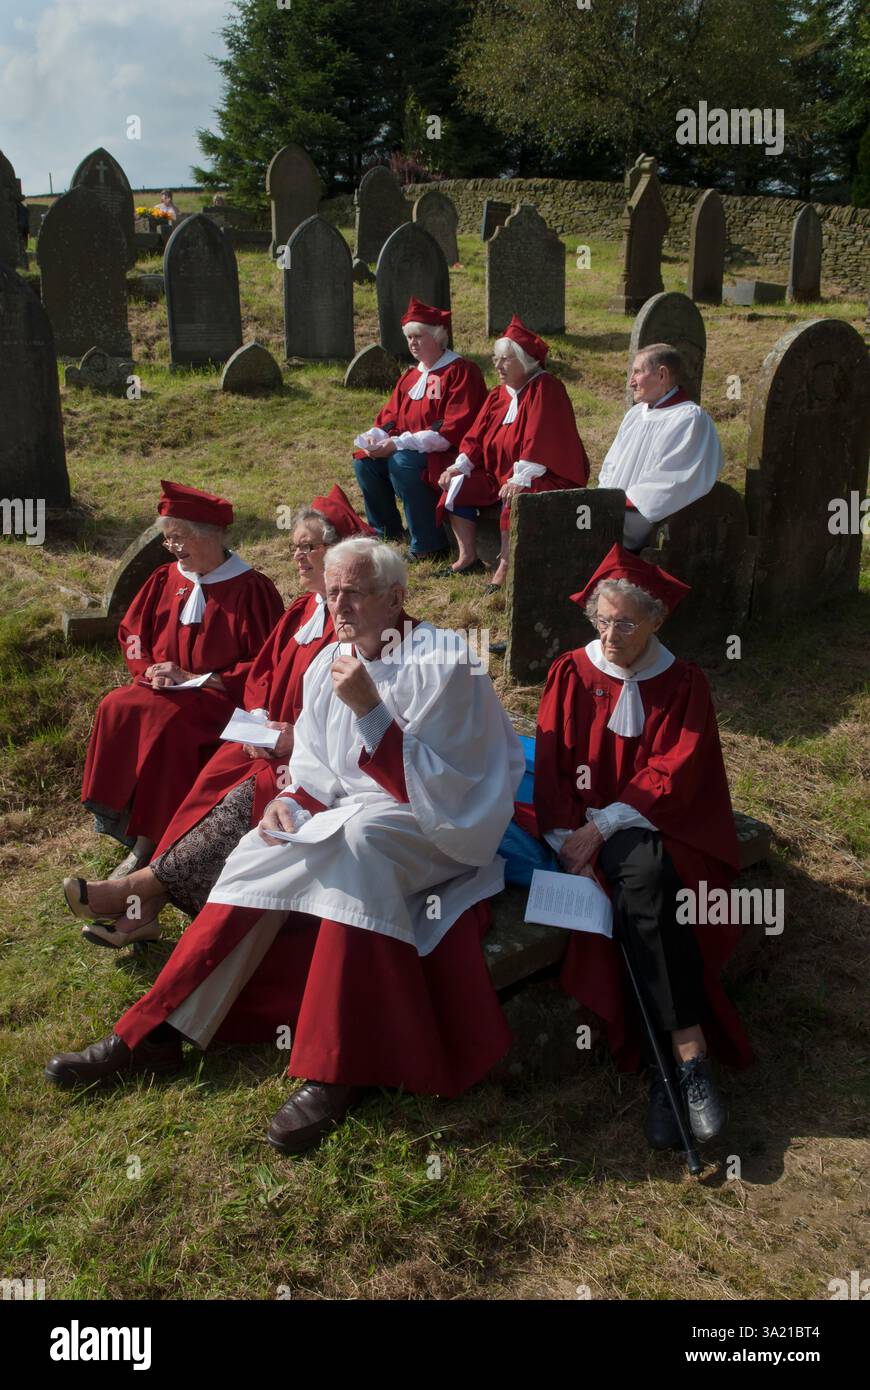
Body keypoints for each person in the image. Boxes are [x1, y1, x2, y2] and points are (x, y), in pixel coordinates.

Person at [47, 539, 525, 1155]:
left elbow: (445, 786)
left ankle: (339, 1067)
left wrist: (371, 710)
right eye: (331, 592)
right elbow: (316, 765)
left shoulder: (445, 662)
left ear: (397, 596)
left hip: (434, 825)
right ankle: (159, 1028)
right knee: (260, 847)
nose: (338, 604)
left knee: (358, 843)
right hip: (351, 816)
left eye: (353, 591)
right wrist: (291, 800)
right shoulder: (331, 658)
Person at [66, 487, 368, 948]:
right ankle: (140, 896)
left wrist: (209, 682)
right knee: (202, 774)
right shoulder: (302, 612)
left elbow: (354, 709)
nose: (298, 558)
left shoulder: (351, 622)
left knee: (223, 786)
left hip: (306, 756)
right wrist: (259, 712)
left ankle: (135, 895)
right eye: (295, 548)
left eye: (309, 547)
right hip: (261, 733)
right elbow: (264, 673)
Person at [533, 544, 751, 1150]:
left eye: (626, 623)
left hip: (661, 821)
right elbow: (552, 764)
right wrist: (570, 834)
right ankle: (686, 1056)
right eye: (601, 620)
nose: (610, 634)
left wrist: (604, 826)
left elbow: (676, 770)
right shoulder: (571, 672)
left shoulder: (683, 682)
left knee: (648, 877)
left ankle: (667, 1069)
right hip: (582, 826)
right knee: (648, 882)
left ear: (657, 620)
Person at [72, 482, 283, 884]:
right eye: (168, 539)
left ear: (210, 534)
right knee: (117, 704)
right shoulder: (164, 579)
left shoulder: (251, 589)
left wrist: (199, 679)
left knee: (170, 725)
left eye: (178, 538)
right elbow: (133, 634)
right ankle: (119, 816)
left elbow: (268, 664)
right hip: (162, 690)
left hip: (221, 698)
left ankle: (152, 842)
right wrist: (148, 670)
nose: (173, 548)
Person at [436, 315, 589, 588]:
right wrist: (460, 466)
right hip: (500, 476)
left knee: (512, 498)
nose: (497, 365)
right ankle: (468, 557)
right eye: (496, 358)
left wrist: (521, 479)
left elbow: (541, 439)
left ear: (525, 360)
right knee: (456, 486)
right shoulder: (498, 395)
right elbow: (476, 436)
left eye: (505, 359)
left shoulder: (545, 388)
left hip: (547, 476)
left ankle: (504, 568)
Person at [353, 298, 487, 562]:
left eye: (418, 336)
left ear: (437, 337)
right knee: (365, 463)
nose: (412, 342)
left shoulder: (461, 371)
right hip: (411, 449)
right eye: (409, 337)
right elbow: (390, 418)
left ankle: (429, 544)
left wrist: (398, 444)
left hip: (452, 456)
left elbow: (451, 430)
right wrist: (375, 437)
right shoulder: (411, 376)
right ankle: (387, 533)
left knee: (403, 462)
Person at [598, 343, 724, 551]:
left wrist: (619, 506)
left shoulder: (690, 418)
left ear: (662, 375)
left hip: (646, 517)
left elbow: (673, 481)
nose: (631, 382)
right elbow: (611, 465)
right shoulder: (635, 414)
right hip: (614, 508)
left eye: (637, 372)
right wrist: (602, 499)